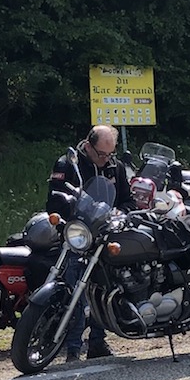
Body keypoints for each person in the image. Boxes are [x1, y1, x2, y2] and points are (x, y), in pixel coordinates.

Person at [47, 126, 130, 361]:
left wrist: (121, 213)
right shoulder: (68, 164)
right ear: (88, 145)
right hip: (78, 236)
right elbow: (54, 199)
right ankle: (73, 348)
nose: (105, 160)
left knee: (102, 289)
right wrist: (70, 215)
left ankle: (97, 341)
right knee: (75, 291)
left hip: (103, 238)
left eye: (110, 154)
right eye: (101, 154)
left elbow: (127, 200)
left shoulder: (115, 166)